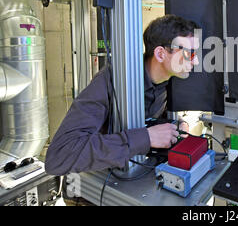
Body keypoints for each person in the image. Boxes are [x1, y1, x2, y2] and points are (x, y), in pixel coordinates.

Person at [45, 14, 200, 176]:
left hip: (138, 174)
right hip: (95, 186)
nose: (195, 62)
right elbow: (58, 157)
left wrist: (178, 125)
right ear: (161, 54)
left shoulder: (168, 81)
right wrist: (145, 138)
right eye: (189, 54)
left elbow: (155, 117)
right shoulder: (111, 81)